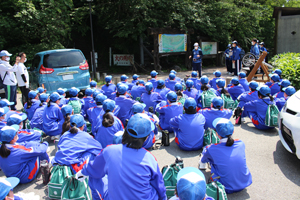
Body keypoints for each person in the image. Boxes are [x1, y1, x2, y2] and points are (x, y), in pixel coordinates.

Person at [76, 113, 166, 200]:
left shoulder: (109, 151)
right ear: (146, 138)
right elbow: (159, 186)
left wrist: (82, 172)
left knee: (93, 175)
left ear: (125, 131)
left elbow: (93, 169)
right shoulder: (150, 158)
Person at [201, 118, 252, 194]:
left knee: (211, 161)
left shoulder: (211, 148)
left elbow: (203, 160)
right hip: (244, 183)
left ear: (217, 134)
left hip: (225, 187)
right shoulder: (241, 143)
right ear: (233, 131)